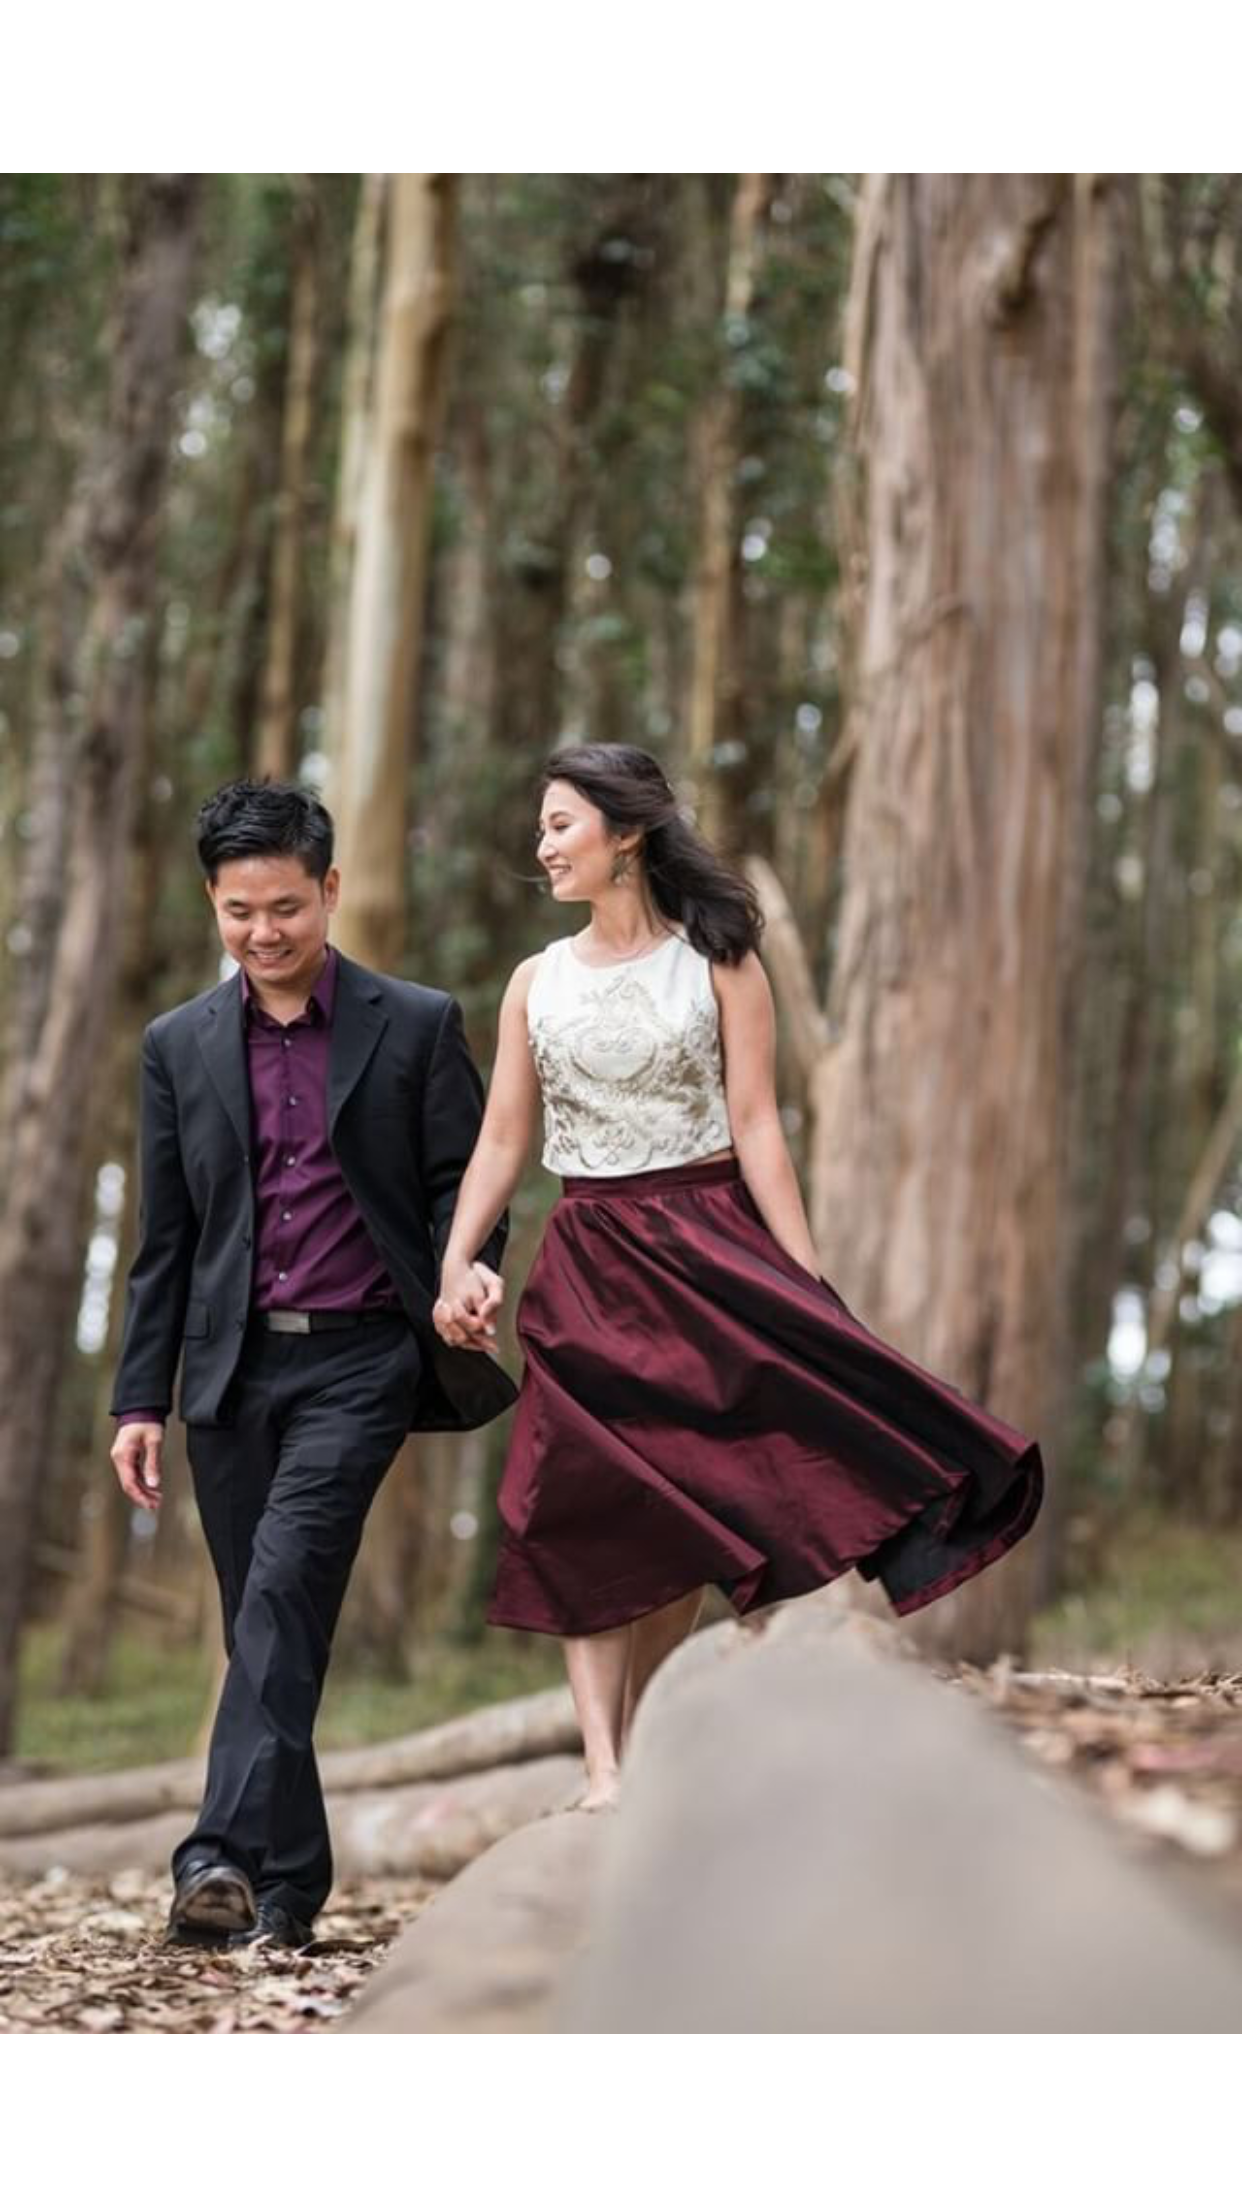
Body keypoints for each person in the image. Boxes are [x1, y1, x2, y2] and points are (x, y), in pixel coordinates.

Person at [432, 743, 1045, 1810]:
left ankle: (694, 1744)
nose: (543, 845)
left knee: (705, 1504)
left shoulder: (718, 961)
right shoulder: (537, 982)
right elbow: (500, 1141)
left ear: (627, 832)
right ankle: (603, 1772)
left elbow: (759, 1124)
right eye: (541, 826)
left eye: (561, 824)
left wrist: (800, 1279)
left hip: (710, 1244)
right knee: (576, 1500)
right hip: (585, 1260)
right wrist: (457, 1261)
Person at [110, 780, 515, 1947]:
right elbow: (167, 1240)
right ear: (214, 904)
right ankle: (289, 1886)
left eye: (286, 906)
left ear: (329, 890)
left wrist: (469, 1265)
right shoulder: (176, 1046)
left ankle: (213, 1856)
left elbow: (464, 1184)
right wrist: (141, 1398)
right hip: (229, 1375)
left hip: (362, 1364)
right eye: (239, 912)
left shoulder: (416, 1022)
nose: (264, 933)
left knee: (283, 1592)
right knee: (264, 1625)